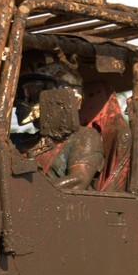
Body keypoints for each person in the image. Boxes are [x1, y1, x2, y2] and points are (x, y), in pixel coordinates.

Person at [13, 58, 104, 190]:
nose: (27, 100)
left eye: (35, 92)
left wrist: (30, 194)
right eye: (25, 93)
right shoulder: (25, 141)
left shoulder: (85, 136)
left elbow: (78, 181)